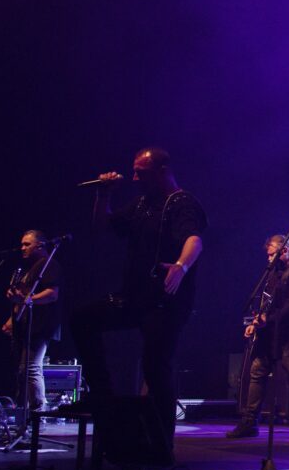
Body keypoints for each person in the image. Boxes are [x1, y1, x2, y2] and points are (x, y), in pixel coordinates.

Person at [69, 147, 206, 452]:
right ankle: (102, 393)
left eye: (141, 173)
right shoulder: (142, 204)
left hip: (166, 301)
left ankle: (161, 445)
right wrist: (103, 194)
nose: (134, 178)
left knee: (156, 366)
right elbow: (101, 226)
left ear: (162, 172)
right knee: (82, 318)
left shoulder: (181, 202)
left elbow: (194, 239)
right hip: (133, 296)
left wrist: (181, 266)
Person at [227, 235, 289, 439]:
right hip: (272, 331)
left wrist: (268, 318)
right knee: (257, 372)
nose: (268, 259)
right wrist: (256, 322)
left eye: (271, 255)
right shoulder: (274, 274)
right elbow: (268, 304)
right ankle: (250, 422)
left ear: (284, 251)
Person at [3, 230, 63, 413]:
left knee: (31, 368)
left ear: (40, 245)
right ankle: (27, 411)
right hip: (28, 325)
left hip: (41, 325)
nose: (22, 248)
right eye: (22, 244)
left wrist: (27, 299)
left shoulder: (48, 264)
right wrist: (12, 319)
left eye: (27, 244)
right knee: (24, 370)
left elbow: (52, 294)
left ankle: (38, 412)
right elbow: (23, 299)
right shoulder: (32, 270)